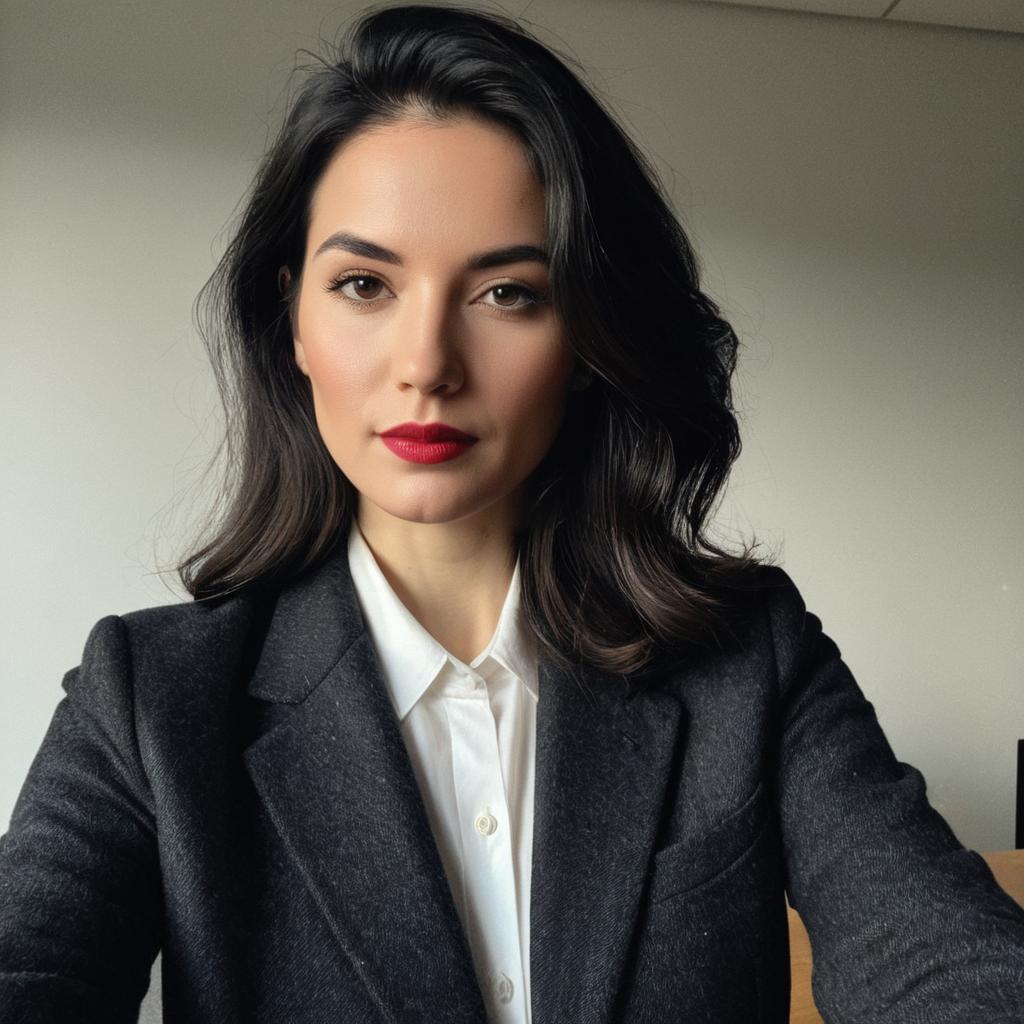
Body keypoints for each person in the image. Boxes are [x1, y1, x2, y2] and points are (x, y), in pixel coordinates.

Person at [1, 4, 1022, 1022]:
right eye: (364, 284)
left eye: (506, 294)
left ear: (585, 336)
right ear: (292, 323)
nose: (426, 366)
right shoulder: (150, 701)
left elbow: (948, 963)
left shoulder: (748, 659)